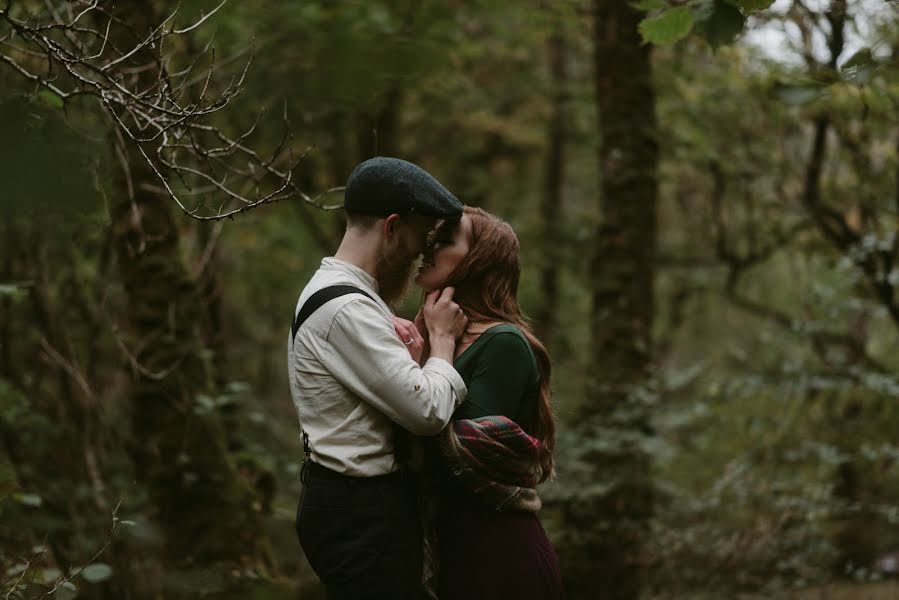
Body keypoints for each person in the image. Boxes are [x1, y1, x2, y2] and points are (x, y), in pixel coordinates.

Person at [287, 157, 469, 600]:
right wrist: (443, 342)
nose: (421, 253)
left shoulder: (348, 298)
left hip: (357, 506)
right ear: (390, 227)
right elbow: (426, 411)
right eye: (418, 237)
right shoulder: (348, 308)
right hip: (360, 513)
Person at [412, 205, 563, 599]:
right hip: (455, 548)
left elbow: (463, 455)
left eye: (445, 240)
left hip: (498, 555)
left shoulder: (504, 343)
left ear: (478, 261)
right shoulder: (426, 338)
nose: (428, 247)